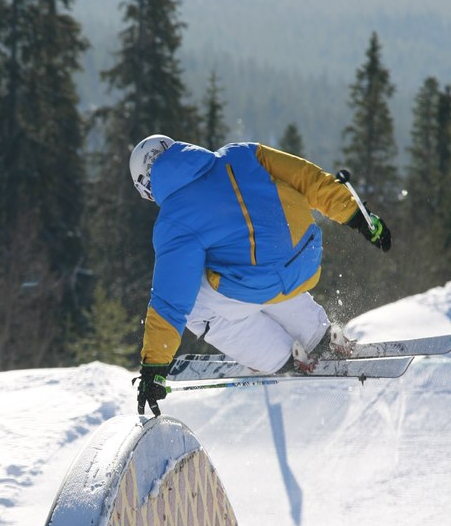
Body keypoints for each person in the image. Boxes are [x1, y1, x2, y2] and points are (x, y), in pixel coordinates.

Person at [129, 135, 392, 416]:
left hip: (254, 281)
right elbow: (307, 178)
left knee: (195, 300)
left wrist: (154, 367)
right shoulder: (241, 153)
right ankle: (318, 335)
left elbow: (171, 300)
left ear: (148, 185)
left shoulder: (173, 219)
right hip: (304, 259)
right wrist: (359, 216)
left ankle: (279, 357)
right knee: (247, 261)